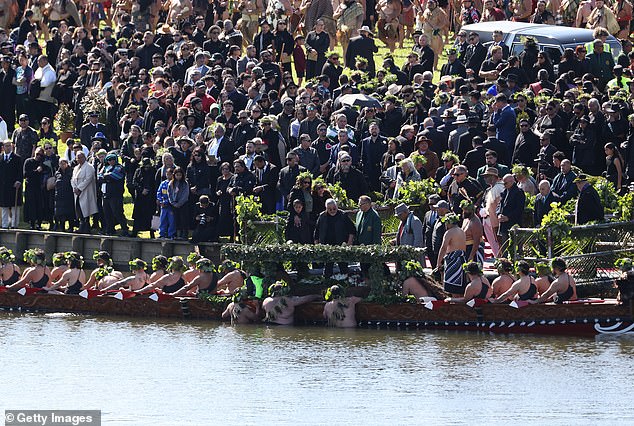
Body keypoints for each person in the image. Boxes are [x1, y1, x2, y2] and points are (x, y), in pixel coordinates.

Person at [314, 198, 356, 277]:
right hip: (327, 246)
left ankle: (346, 282)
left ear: (337, 207)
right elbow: (317, 231)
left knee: (343, 267)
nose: (332, 211)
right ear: (326, 209)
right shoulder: (322, 216)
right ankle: (327, 284)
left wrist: (349, 243)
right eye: (330, 209)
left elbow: (352, 229)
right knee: (328, 268)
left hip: (341, 245)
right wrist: (317, 245)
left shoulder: (343, 215)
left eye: (334, 208)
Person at [436, 213, 467, 296]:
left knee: (453, 289)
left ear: (449, 222)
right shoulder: (462, 231)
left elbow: (443, 248)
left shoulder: (449, 232)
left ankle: (455, 306)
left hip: (453, 261)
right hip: (462, 260)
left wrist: (438, 262)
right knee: (460, 289)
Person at [496, 174, 525, 255]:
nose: (504, 185)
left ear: (512, 181)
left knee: (516, 248)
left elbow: (519, 209)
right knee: (504, 248)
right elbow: (499, 206)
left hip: (514, 224)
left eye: (506, 183)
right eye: (503, 183)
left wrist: (508, 217)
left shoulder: (519, 192)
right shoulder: (504, 192)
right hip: (504, 225)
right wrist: (498, 214)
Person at [70, 151, 98, 234]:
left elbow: (88, 179)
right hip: (77, 193)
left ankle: (86, 227)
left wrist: (79, 188)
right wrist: (75, 188)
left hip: (86, 192)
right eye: (78, 157)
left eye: (81, 157)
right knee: (79, 209)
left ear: (85, 157)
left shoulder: (89, 167)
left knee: (86, 209)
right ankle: (81, 225)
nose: (79, 159)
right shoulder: (75, 168)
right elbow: (72, 179)